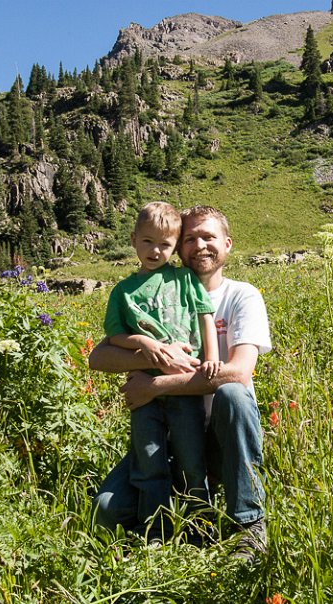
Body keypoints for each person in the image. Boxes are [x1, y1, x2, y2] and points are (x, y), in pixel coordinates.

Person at [91, 205, 271, 561]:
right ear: (179, 247)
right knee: (106, 510)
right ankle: (165, 528)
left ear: (228, 244)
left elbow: (238, 373)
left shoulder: (242, 295)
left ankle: (248, 524)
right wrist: (155, 355)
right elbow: (99, 357)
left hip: (221, 436)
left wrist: (154, 386)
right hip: (167, 431)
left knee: (233, 394)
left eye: (208, 237)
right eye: (190, 239)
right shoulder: (149, 290)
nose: (199, 245)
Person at [103, 201, 222, 541]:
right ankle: (155, 532)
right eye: (147, 242)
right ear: (133, 240)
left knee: (192, 461)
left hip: (184, 388)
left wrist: (212, 357)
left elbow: (205, 317)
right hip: (145, 391)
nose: (155, 251)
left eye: (165, 244)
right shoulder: (122, 291)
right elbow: (115, 336)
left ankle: (200, 529)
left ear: (175, 247)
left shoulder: (184, 278)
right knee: (149, 462)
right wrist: (145, 343)